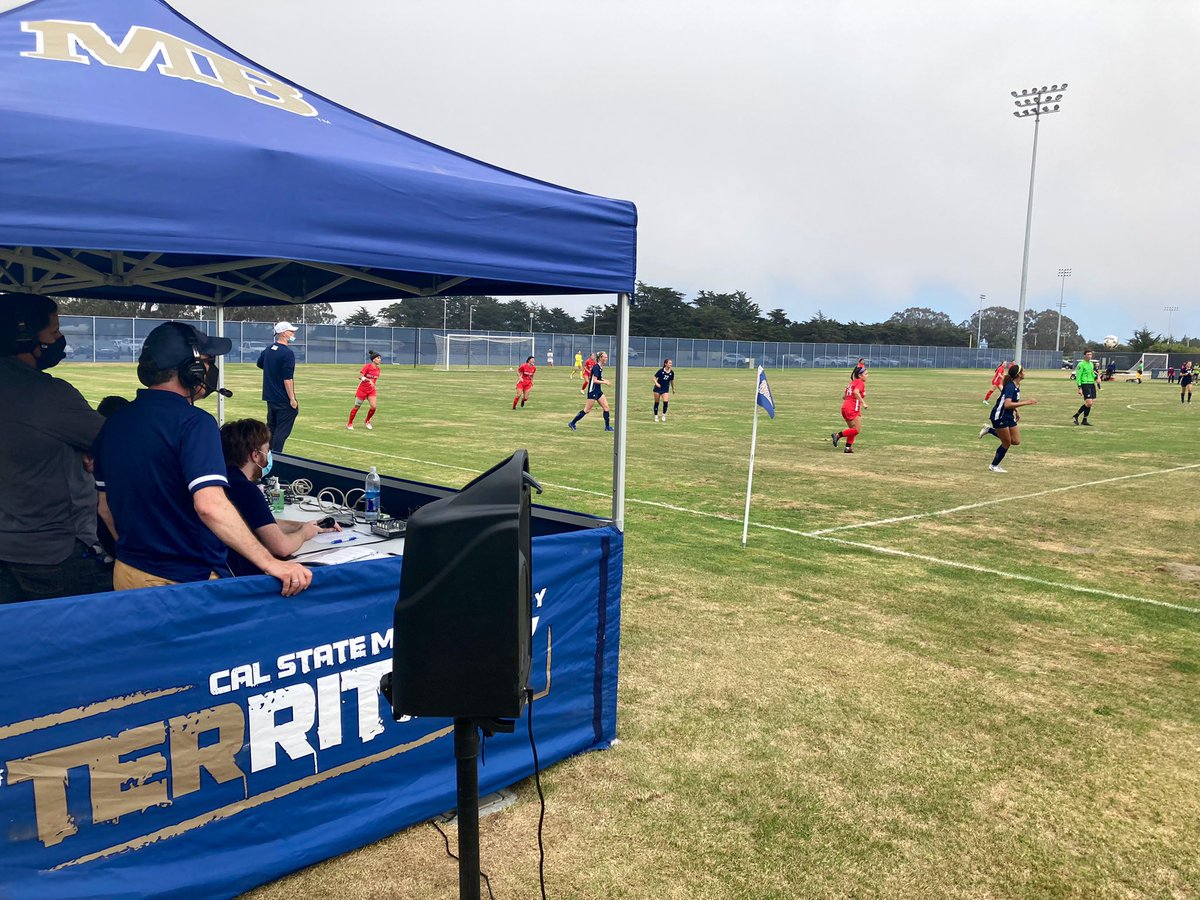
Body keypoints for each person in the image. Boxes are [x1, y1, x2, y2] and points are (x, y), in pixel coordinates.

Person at [94, 322, 312, 595]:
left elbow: (105, 508)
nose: (211, 370)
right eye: (208, 361)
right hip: (182, 582)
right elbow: (210, 505)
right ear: (191, 370)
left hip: (127, 572)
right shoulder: (195, 423)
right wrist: (271, 564)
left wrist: (140, 556)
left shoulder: (116, 421)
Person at [0, 293, 112, 602]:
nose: (60, 338)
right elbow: (112, 441)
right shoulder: (48, 394)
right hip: (52, 552)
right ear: (26, 338)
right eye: (54, 331)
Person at [220, 419, 339, 576]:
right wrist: (304, 533)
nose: (269, 455)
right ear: (256, 455)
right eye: (267, 449)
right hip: (244, 578)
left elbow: (261, 523)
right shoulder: (246, 490)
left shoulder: (224, 480)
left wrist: (304, 525)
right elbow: (281, 547)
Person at [979, 364, 1037, 473]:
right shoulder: (1010, 386)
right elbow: (1007, 404)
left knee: (1015, 441)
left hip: (1008, 415)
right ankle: (994, 465)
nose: (1025, 372)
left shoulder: (1016, 385)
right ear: (1018, 374)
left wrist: (1017, 411)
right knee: (1006, 443)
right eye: (1023, 371)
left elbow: (1009, 402)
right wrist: (1027, 402)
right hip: (999, 415)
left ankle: (989, 430)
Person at [257, 321, 299, 453]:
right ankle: (276, 456)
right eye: (291, 331)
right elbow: (287, 378)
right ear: (283, 333)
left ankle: (266, 454)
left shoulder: (268, 349)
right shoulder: (287, 353)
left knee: (271, 428)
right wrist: (292, 399)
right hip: (282, 397)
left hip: (270, 397)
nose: (293, 334)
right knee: (281, 430)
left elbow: (260, 364)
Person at [568, 351, 614, 432]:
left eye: (607, 357)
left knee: (606, 408)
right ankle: (572, 423)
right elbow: (595, 380)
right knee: (587, 410)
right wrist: (605, 382)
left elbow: (599, 377)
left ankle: (607, 427)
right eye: (605, 357)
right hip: (592, 391)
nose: (606, 358)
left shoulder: (600, 367)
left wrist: (605, 380)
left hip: (598, 390)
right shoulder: (596, 367)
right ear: (600, 358)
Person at [831, 370, 868, 454]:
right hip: (852, 408)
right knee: (856, 430)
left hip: (845, 407)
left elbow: (844, 397)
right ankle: (837, 435)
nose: (867, 376)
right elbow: (855, 392)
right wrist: (863, 402)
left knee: (852, 429)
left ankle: (848, 448)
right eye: (866, 374)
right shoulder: (860, 382)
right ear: (860, 375)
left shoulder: (852, 383)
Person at [347, 350, 382, 430]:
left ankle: (367, 420)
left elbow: (374, 380)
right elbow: (360, 376)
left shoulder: (378, 370)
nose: (380, 359)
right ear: (373, 359)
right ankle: (350, 423)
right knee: (356, 407)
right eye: (378, 358)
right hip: (362, 390)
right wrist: (367, 379)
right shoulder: (367, 366)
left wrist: (373, 384)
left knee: (373, 407)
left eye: (380, 358)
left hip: (371, 391)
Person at [1073, 349, 1099, 426]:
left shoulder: (1091, 364)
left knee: (1090, 404)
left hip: (1091, 384)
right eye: (1088, 354)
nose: (1089, 356)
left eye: (1090, 354)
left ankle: (1084, 420)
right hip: (1085, 384)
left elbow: (1092, 374)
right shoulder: (1081, 364)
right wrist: (1079, 387)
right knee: (1089, 402)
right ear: (1085, 355)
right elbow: (1078, 376)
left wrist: (1096, 378)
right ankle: (1076, 415)